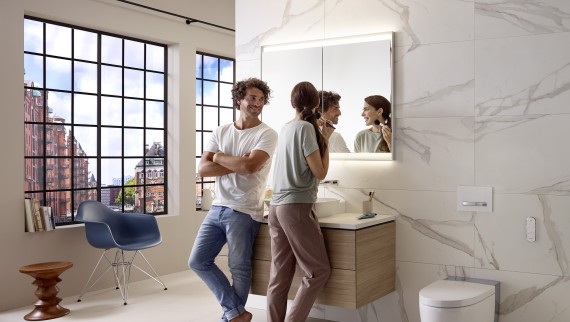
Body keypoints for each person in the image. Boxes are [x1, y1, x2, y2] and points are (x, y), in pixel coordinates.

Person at [189, 78, 278, 322]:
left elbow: (250, 166)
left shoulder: (267, 134)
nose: (257, 103)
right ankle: (236, 313)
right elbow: (203, 170)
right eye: (251, 97)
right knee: (197, 261)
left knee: (238, 268)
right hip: (218, 206)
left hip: (245, 210)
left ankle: (231, 316)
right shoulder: (221, 131)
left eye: (261, 99)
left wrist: (219, 156)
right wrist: (235, 161)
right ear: (238, 100)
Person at [267, 81, 333, 322]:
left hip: (275, 208)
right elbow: (320, 173)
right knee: (318, 272)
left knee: (280, 275)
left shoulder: (286, 127)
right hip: (295, 208)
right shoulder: (306, 128)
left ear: (292, 103)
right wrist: (325, 138)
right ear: (317, 104)